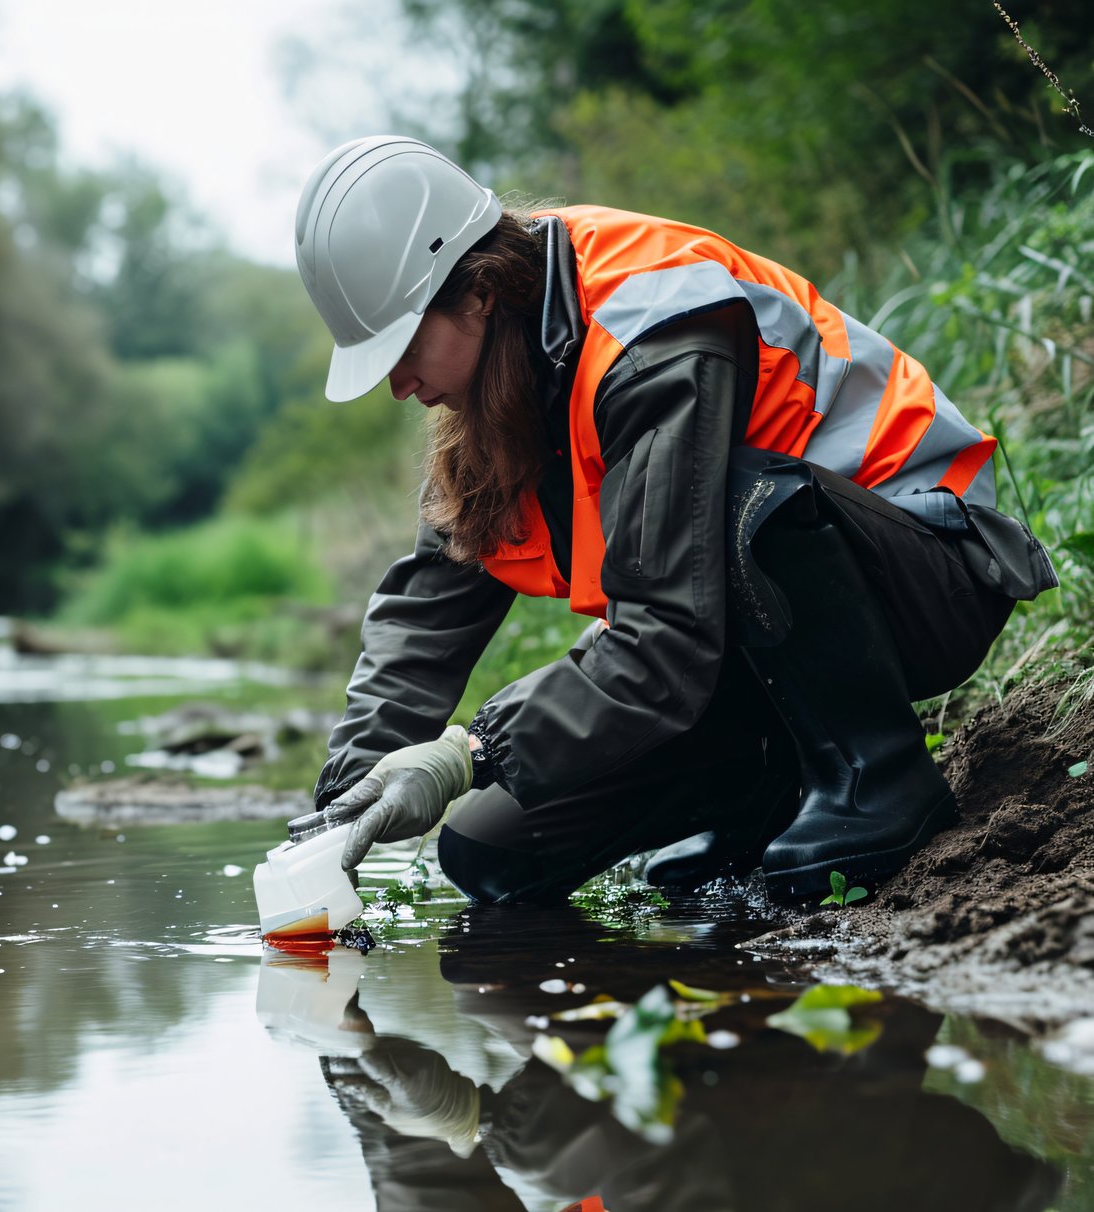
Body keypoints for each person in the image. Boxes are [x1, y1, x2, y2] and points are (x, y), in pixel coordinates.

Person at [294, 136, 1057, 902]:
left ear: (479, 290)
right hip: (748, 635)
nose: (396, 384)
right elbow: (425, 615)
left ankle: (877, 776)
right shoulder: (496, 384)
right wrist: (335, 814)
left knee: (741, 500)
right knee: (489, 852)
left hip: (923, 572)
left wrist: (471, 749)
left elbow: (661, 639)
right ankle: (766, 797)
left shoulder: (649, 323)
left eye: (401, 344)